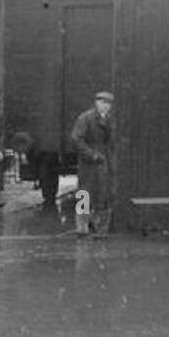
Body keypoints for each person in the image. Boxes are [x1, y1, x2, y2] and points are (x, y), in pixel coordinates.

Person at [70, 90, 115, 237]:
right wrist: (91, 154)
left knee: (104, 194)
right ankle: (82, 228)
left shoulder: (110, 119)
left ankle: (100, 229)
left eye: (108, 104)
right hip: (89, 163)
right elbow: (76, 139)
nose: (106, 106)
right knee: (85, 193)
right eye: (103, 103)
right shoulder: (86, 118)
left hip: (105, 160)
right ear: (96, 102)